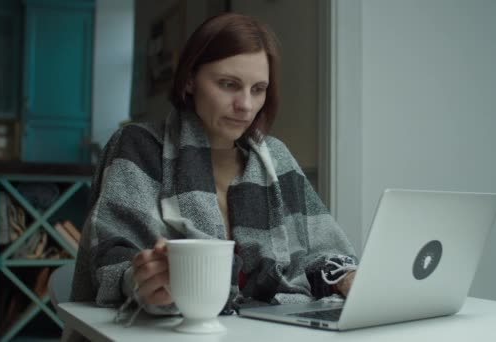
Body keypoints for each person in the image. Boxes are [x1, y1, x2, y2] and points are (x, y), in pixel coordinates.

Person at [70, 12, 358, 322]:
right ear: (191, 79)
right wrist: (139, 281)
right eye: (228, 84)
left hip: (270, 331)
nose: (245, 105)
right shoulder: (138, 146)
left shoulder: (276, 157)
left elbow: (322, 253)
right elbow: (112, 260)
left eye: (258, 89)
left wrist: (347, 278)